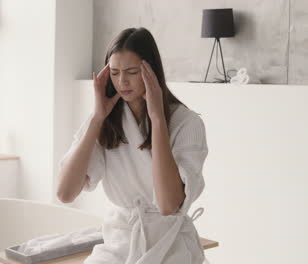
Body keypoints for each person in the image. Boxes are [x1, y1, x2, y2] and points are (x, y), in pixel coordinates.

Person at [57, 27, 209, 264]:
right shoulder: (105, 121)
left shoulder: (187, 123)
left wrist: (157, 119)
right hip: (119, 243)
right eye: (115, 73)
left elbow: (169, 204)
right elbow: (65, 193)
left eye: (131, 72)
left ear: (151, 72)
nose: (122, 82)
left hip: (170, 246)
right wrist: (97, 119)